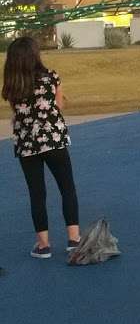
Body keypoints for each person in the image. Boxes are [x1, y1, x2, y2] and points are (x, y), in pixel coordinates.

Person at [2, 36, 81, 259]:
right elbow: (58, 106)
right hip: (53, 140)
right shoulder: (52, 77)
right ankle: (74, 239)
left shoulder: (12, 85)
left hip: (27, 145)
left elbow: (18, 112)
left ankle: (43, 245)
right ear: (35, 55)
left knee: (37, 194)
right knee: (67, 187)